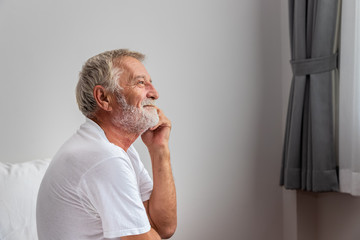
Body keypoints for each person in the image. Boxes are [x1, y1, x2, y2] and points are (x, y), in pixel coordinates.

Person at [36, 49, 177, 240]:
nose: (154, 93)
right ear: (104, 98)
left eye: (151, 82)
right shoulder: (103, 157)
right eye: (141, 82)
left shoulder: (117, 150)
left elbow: (164, 226)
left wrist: (159, 148)